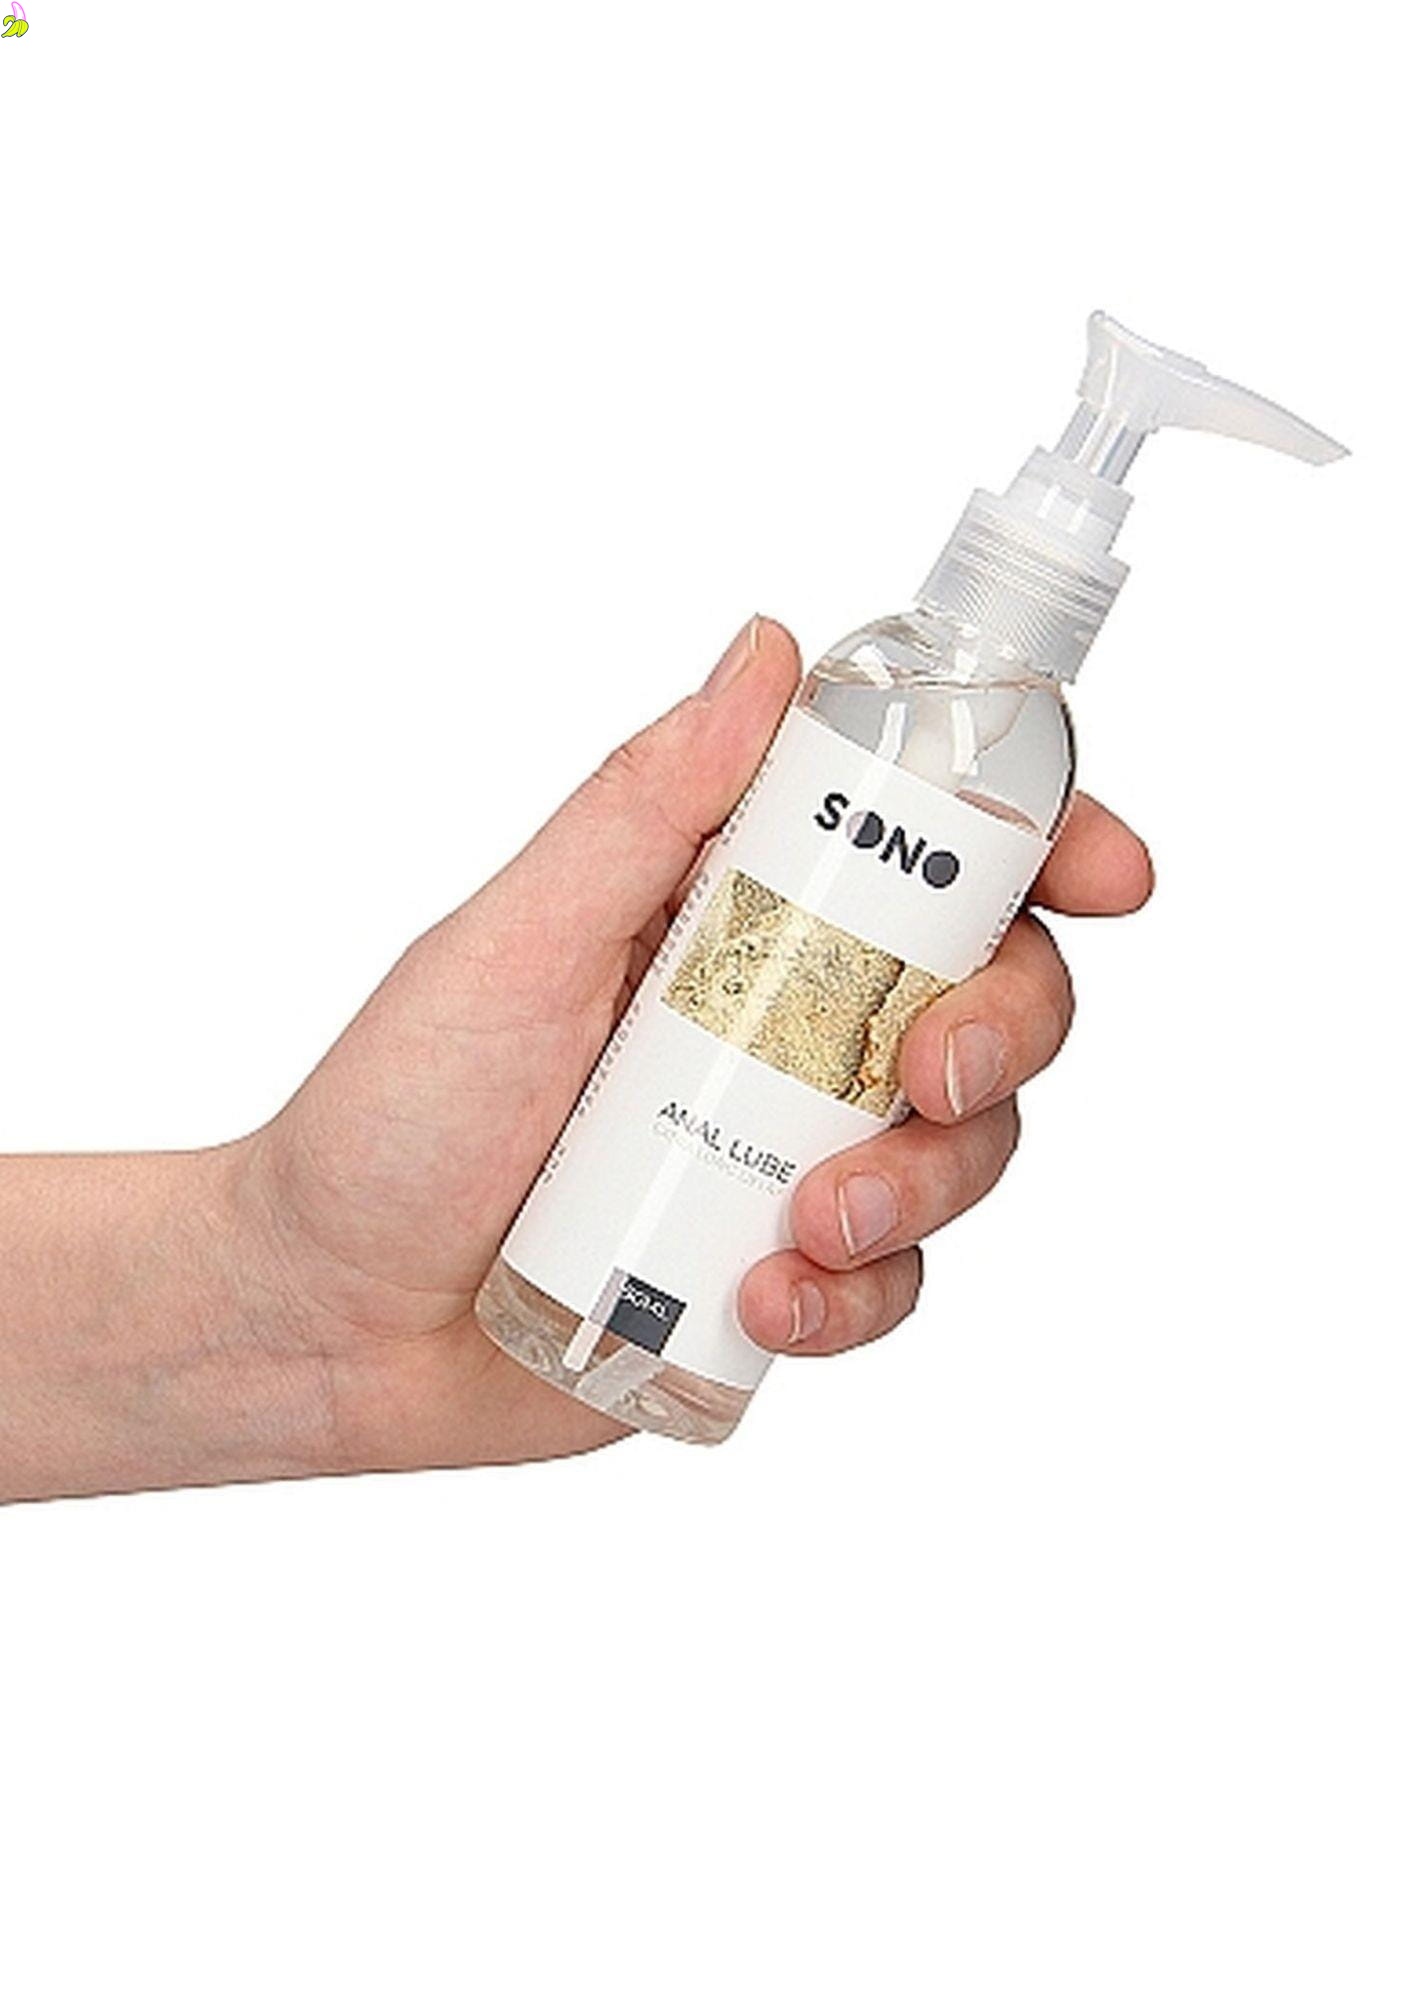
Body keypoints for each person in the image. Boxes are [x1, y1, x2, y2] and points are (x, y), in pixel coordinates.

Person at [0, 619, 1152, 1502]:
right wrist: (278, 1282)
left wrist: (287, 1310)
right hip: (541, 1253)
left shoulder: (1026, 744)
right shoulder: (874, 678)